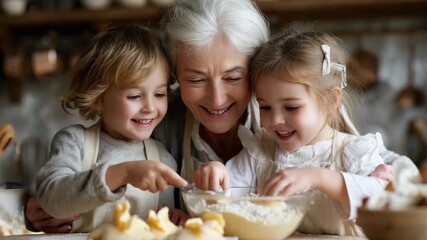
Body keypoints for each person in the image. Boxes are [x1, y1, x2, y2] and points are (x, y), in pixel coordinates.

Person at [25, 0, 407, 233]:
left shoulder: (289, 116)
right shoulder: (160, 118)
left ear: (257, 73)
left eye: (234, 78)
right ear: (175, 78)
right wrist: (36, 208)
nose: (217, 97)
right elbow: (76, 175)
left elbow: (395, 177)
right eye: (195, 79)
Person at [203, 23, 403, 236]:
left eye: (291, 107)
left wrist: (318, 178)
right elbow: (226, 202)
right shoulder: (261, 151)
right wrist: (218, 175)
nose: (276, 120)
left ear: (331, 100)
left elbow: (387, 200)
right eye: (265, 107)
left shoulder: (352, 152)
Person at [34, 24, 187, 233]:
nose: (150, 107)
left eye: (159, 94)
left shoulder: (162, 158)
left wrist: (174, 218)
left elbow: (163, 223)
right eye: (134, 96)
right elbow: (51, 199)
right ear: (98, 98)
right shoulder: (74, 143)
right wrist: (123, 173)